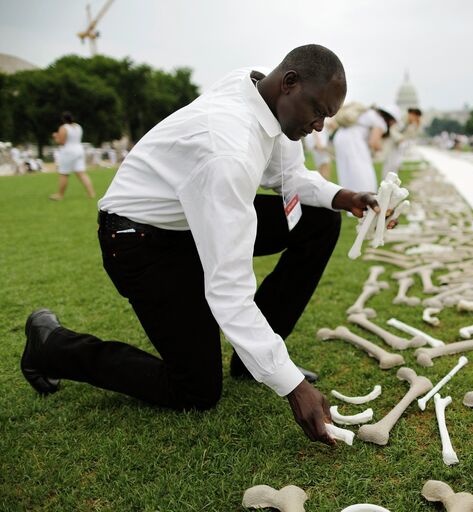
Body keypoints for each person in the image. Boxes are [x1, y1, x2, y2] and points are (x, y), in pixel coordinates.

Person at [21, 44, 391, 446]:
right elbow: (229, 291)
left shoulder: (260, 88)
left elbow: (289, 176)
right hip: (138, 240)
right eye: (317, 110)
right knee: (196, 390)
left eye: (328, 116)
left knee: (319, 220)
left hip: (187, 219)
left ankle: (256, 363)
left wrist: (345, 196)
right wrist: (292, 385)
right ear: (289, 84)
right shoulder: (227, 151)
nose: (320, 126)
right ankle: (52, 345)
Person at [333, 103, 399, 192]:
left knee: (347, 171)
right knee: (363, 173)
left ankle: (349, 195)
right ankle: (363, 195)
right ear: (391, 120)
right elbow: (373, 142)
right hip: (353, 142)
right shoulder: (380, 121)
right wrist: (380, 148)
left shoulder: (370, 113)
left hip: (340, 137)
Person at [49, 111, 96, 200]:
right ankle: (91, 193)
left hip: (68, 151)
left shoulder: (63, 128)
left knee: (64, 173)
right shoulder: (78, 126)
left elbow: (62, 142)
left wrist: (56, 136)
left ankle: (60, 195)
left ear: (63, 119)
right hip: (79, 150)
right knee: (82, 173)